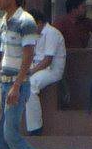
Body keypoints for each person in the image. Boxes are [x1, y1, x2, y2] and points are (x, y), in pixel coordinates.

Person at [0, 0, 51, 149]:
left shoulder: (26, 21)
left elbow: (28, 55)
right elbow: (2, 54)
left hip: (18, 84)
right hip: (2, 82)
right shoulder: (2, 22)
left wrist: (17, 85)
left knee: (10, 134)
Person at [24, 8, 66, 136]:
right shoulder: (33, 34)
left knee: (30, 86)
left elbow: (47, 60)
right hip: (36, 68)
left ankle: (35, 128)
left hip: (52, 71)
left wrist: (30, 72)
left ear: (40, 23)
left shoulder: (52, 33)